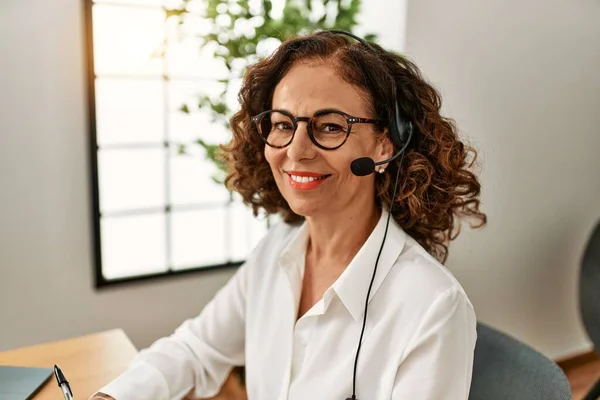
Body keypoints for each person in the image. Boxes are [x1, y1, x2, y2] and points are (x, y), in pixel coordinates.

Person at [91, 30, 487, 400]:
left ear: (385, 146)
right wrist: (114, 396)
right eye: (282, 124)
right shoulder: (277, 249)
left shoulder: (433, 306)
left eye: (330, 126)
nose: (296, 151)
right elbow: (198, 349)